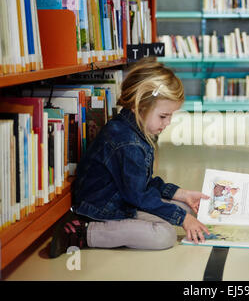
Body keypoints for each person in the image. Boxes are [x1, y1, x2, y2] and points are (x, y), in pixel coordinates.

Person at [49, 59, 210, 258]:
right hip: (103, 208)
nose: (168, 123)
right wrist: (181, 218)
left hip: (123, 197)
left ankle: (173, 213)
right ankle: (84, 231)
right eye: (163, 116)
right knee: (164, 236)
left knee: (186, 209)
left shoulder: (136, 131)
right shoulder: (127, 143)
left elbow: (143, 183)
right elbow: (139, 196)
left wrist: (180, 194)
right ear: (139, 106)